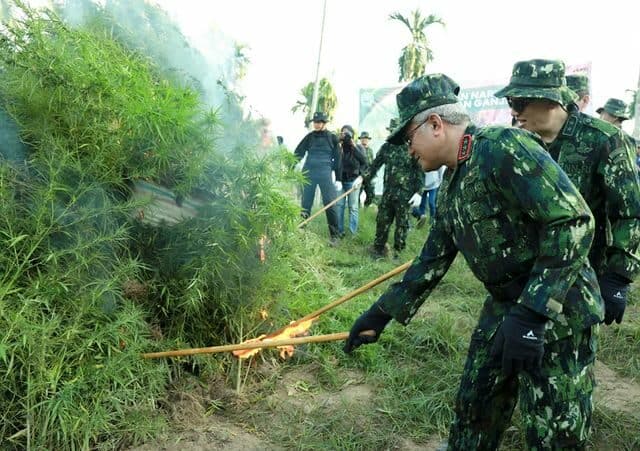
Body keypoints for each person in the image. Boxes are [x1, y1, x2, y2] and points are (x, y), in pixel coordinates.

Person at [345, 73, 603, 450]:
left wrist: (532, 314)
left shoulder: (503, 146)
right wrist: (380, 314)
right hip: (503, 308)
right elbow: (430, 261)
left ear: (434, 124)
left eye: (407, 138)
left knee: (554, 431)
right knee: (474, 408)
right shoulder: (452, 183)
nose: (407, 150)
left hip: (559, 308)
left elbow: (573, 220)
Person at [495, 59, 640, 326]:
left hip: (580, 281)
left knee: (566, 365)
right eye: (510, 103)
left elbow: (630, 212)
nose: (514, 113)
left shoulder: (604, 140)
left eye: (518, 103)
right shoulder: (520, 142)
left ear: (550, 100)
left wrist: (619, 277)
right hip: (526, 277)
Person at [362, 118, 423, 258]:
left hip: (405, 194)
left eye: (396, 131)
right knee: (382, 221)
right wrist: (363, 179)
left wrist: (418, 192)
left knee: (402, 224)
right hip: (388, 193)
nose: (393, 133)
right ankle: (378, 250)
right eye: (391, 131)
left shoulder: (412, 148)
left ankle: (398, 253)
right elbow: (374, 166)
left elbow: (419, 172)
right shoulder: (387, 147)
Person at [294, 111, 342, 245]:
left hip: (325, 173)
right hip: (309, 172)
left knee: (330, 203)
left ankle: (335, 236)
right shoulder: (309, 137)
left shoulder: (332, 138)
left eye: (319, 122)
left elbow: (338, 158)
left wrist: (338, 178)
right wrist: (290, 167)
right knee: (306, 204)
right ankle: (301, 232)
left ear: (324, 123)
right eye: (315, 122)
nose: (316, 124)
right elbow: (298, 152)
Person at [337, 125, 367, 236]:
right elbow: (335, 161)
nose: (345, 136)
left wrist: (353, 146)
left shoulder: (358, 147)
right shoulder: (339, 147)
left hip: (353, 181)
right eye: (343, 133)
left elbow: (364, 161)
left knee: (353, 207)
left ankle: (352, 232)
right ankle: (339, 231)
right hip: (340, 181)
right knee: (339, 206)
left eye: (347, 134)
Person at [358, 131, 376, 206]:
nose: (364, 140)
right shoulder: (357, 148)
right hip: (359, 175)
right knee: (357, 194)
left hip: (369, 175)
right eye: (363, 138)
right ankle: (357, 209)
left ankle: (366, 208)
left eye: (366, 138)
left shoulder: (370, 150)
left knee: (371, 194)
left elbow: (372, 162)